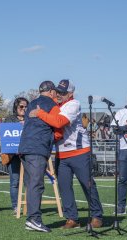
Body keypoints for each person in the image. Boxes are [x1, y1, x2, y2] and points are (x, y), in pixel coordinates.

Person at [29, 79, 104, 229]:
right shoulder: (55, 105)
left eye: (63, 92)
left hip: (79, 151)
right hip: (61, 153)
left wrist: (40, 113)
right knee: (64, 187)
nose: (59, 95)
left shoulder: (73, 104)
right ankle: (72, 218)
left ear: (71, 93)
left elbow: (59, 122)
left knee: (87, 184)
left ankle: (97, 215)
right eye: (58, 91)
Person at [18, 81, 58, 233]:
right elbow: (57, 123)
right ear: (51, 92)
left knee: (31, 184)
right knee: (36, 184)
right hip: (37, 148)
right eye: (55, 91)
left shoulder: (31, 104)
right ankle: (34, 219)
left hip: (24, 147)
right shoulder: (52, 105)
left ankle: (32, 218)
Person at [2, 97, 29, 215]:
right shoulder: (9, 120)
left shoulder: (31, 119)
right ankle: (16, 206)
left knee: (29, 182)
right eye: (21, 107)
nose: (24, 109)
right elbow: (5, 137)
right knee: (15, 181)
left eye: (26, 106)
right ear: (16, 107)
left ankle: (30, 206)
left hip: (28, 154)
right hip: (13, 155)